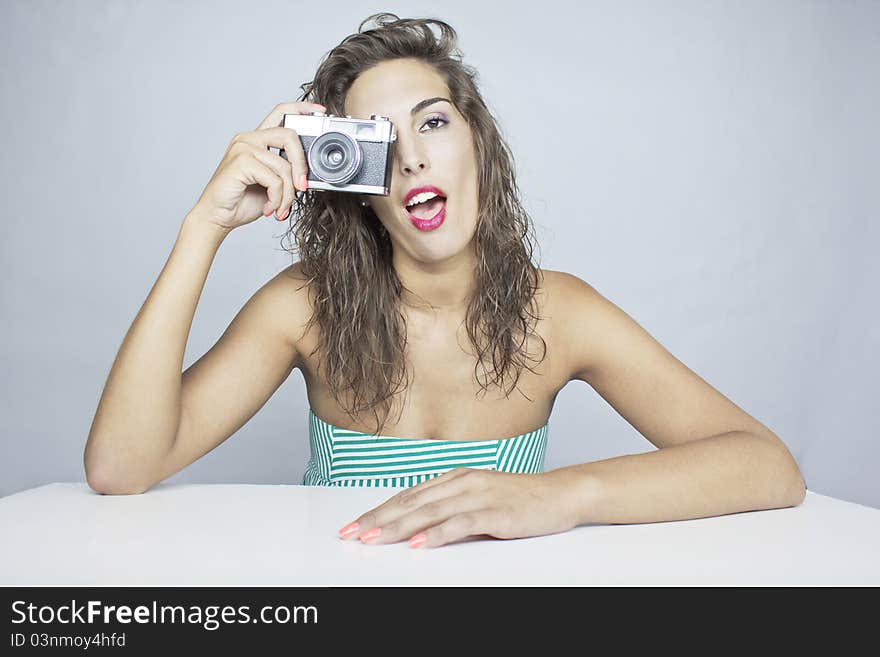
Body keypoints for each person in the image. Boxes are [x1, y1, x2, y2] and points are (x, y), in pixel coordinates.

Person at [83, 13, 806, 549]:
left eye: (432, 123)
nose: (412, 159)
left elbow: (767, 465)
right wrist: (202, 226)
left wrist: (563, 494)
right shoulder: (303, 309)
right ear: (351, 179)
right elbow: (120, 467)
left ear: (477, 143)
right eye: (377, 141)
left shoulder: (558, 313)